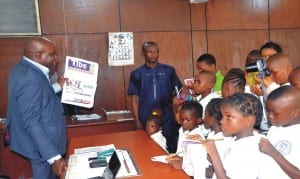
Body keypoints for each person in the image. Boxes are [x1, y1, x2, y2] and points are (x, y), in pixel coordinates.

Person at [5, 37, 67, 178]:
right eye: (52, 54)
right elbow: (32, 122)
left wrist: (58, 86)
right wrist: (54, 157)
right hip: (40, 148)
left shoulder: (23, 67)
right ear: (37, 56)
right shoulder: (29, 79)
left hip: (37, 143)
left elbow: (39, 95)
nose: (55, 58)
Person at [128, 41, 182, 153]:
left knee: (170, 147)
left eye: (156, 52)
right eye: (150, 52)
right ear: (143, 53)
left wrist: (178, 114)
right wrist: (137, 120)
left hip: (168, 117)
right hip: (146, 117)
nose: (153, 54)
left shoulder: (169, 71)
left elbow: (178, 95)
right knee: (147, 148)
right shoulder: (136, 74)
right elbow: (135, 99)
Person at [203, 93, 267, 179]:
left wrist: (213, 151)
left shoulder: (250, 148)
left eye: (228, 117)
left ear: (248, 121)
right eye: (222, 116)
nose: (221, 121)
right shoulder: (237, 140)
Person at [259, 86, 300, 179]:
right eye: (268, 111)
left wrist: (274, 153)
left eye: (275, 113)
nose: (270, 116)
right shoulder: (275, 128)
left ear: (294, 113)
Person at [167, 101, 207, 178]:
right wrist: (177, 157)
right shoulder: (184, 131)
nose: (184, 123)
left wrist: (182, 165)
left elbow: (198, 170)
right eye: (182, 119)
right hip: (183, 171)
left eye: (187, 120)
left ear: (199, 120)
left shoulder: (196, 140)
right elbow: (184, 154)